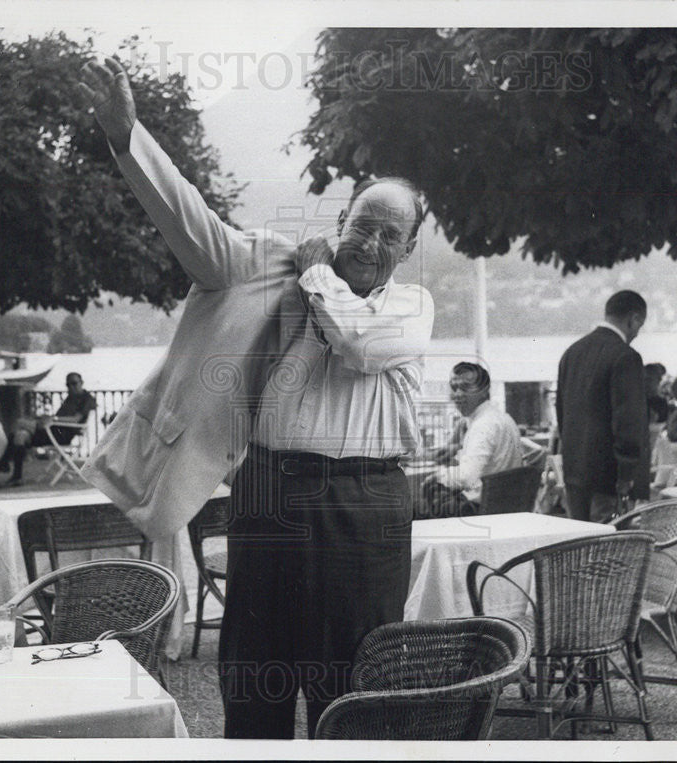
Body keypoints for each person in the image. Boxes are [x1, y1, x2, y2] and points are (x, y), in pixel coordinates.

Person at [77, 58, 433, 739]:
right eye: (364, 224)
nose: (373, 242)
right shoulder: (275, 265)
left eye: (392, 234)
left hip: (366, 503)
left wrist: (318, 275)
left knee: (355, 686)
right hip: (269, 489)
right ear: (342, 220)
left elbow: (358, 343)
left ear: (409, 248)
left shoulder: (412, 308)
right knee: (253, 677)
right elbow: (195, 226)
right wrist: (130, 139)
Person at [556, 290, 651, 523]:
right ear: (634, 319)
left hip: (575, 471)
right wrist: (627, 474)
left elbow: (561, 411)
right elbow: (629, 421)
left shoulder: (572, 352)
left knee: (578, 545)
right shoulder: (626, 356)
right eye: (639, 326)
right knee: (609, 549)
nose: (636, 333)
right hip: (610, 478)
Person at [418, 362, 523, 518]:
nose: (458, 394)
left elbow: (467, 477)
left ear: (483, 391)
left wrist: (437, 476)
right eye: (454, 388)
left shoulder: (483, 425)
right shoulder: (501, 418)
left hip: (479, 510)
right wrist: (457, 449)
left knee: (415, 510)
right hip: (505, 506)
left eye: (465, 387)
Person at [0, 372, 96, 486]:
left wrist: (54, 419)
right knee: (20, 435)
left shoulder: (86, 399)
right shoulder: (70, 398)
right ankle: (15, 476)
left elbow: (76, 420)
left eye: (74, 383)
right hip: (53, 431)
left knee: (20, 424)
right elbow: (59, 417)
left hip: (63, 435)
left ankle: (4, 465)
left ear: (81, 382)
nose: (71, 387)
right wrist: (47, 419)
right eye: (68, 385)